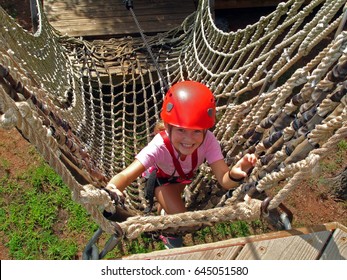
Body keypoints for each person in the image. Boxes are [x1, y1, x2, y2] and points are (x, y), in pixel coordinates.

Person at [105, 81, 257, 249]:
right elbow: (126, 175)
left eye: (197, 131)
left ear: (205, 130)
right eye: (181, 130)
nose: (188, 139)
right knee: (183, 222)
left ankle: (162, 210)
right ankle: (166, 231)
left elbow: (224, 180)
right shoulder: (159, 145)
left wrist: (235, 174)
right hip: (162, 182)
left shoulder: (209, 141)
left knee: (171, 203)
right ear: (168, 127)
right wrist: (112, 188)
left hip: (183, 179)